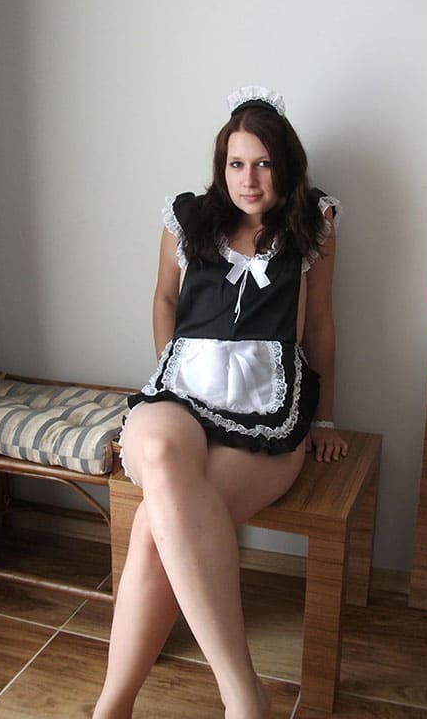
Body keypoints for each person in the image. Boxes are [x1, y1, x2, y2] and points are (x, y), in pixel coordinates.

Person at [92, 86, 348, 719]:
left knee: (154, 525)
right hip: (180, 394)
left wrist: (326, 417)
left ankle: (113, 707)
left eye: (263, 164)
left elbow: (319, 324)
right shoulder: (189, 218)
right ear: (221, 165)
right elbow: (163, 298)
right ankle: (243, 697)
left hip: (266, 405)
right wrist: (171, 366)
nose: (248, 179)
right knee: (157, 445)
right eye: (237, 163)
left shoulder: (312, 224)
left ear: (285, 166)